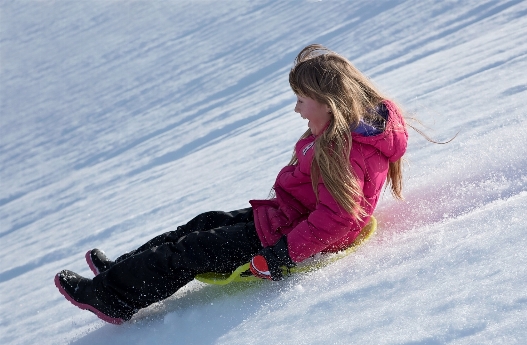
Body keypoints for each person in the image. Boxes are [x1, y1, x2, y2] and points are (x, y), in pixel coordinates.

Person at [54, 44, 409, 325]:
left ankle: (112, 297)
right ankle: (121, 269)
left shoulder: (343, 150)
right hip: (288, 218)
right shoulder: (346, 134)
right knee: (204, 223)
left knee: (190, 250)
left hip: (288, 237)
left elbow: (337, 220)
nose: (297, 110)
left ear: (330, 104)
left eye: (302, 100)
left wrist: (282, 256)